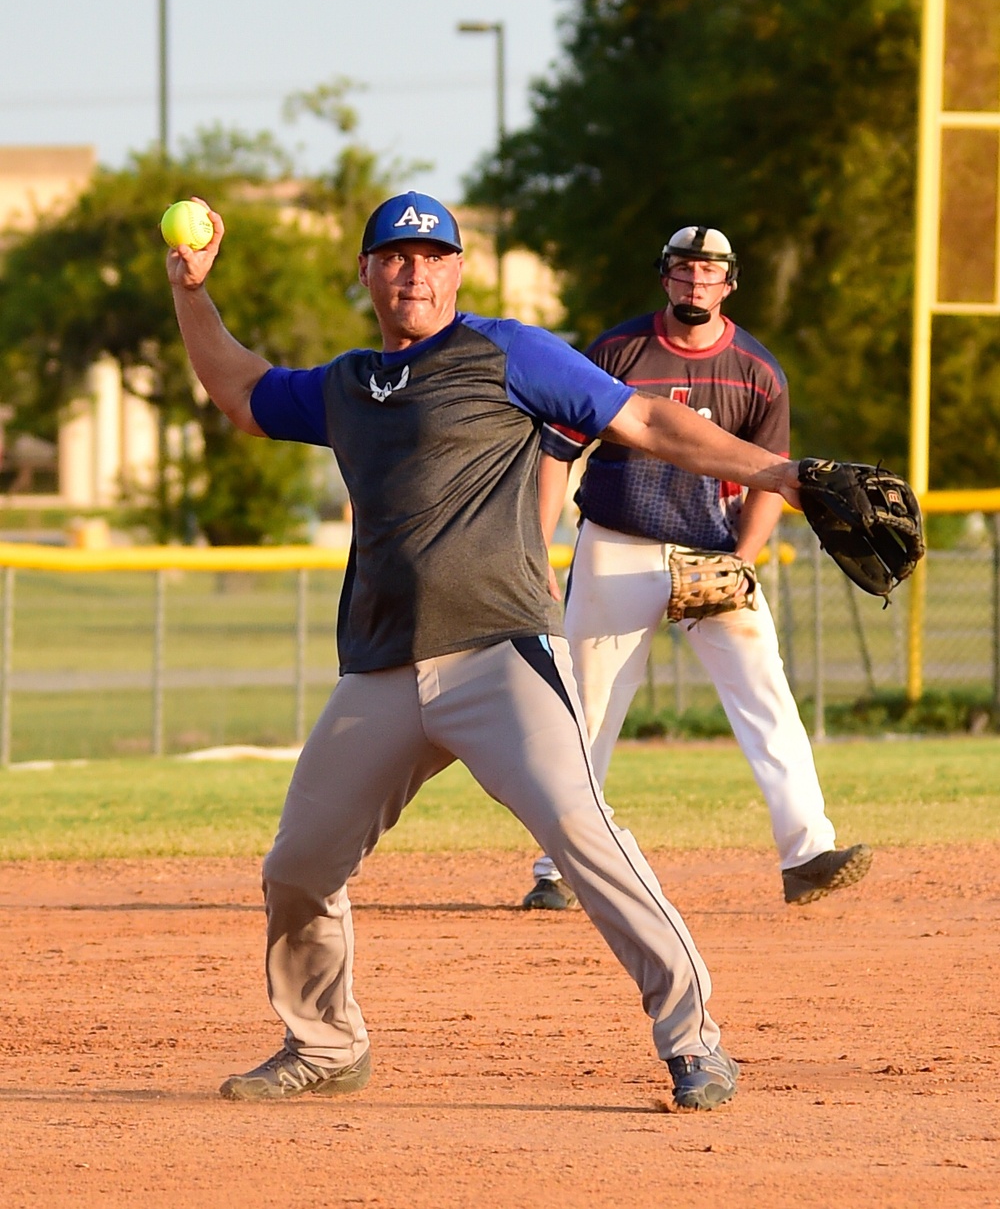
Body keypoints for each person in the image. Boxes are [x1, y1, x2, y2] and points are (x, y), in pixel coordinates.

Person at [166, 192, 802, 1113]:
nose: (412, 270)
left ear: (457, 271)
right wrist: (191, 291)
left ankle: (694, 1039)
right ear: (368, 274)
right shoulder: (346, 386)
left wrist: (777, 473)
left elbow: (650, 424)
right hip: (382, 666)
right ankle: (327, 1042)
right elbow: (241, 391)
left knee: (584, 840)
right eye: (393, 255)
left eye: (431, 255)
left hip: (500, 655)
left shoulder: (508, 352)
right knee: (298, 867)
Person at [521, 226, 871, 914]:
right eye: (683, 269)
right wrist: (535, 546)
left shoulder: (757, 370)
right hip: (616, 543)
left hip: (712, 550)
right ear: (665, 278)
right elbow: (559, 450)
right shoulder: (618, 350)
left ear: (729, 283)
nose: (695, 281)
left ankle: (806, 853)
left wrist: (743, 560)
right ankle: (556, 866)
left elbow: (771, 478)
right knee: (586, 709)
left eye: (709, 271)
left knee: (765, 693)